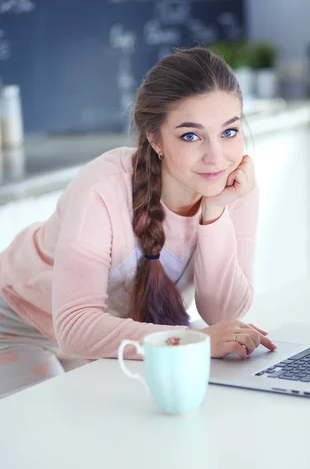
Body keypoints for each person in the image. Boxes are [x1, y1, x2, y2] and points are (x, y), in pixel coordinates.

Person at [0, 46, 276, 398]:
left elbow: (221, 312)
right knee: (54, 425)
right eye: (191, 135)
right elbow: (74, 326)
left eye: (229, 132)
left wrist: (216, 211)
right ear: (154, 138)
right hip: (16, 325)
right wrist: (189, 341)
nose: (216, 156)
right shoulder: (104, 190)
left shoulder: (234, 187)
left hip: (105, 338)